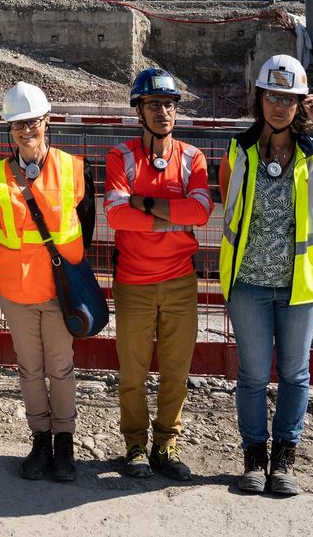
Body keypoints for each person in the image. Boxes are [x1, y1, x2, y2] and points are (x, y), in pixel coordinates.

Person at [219, 55, 313, 496]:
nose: (280, 106)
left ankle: (285, 460)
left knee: (296, 374)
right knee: (254, 376)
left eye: (290, 98)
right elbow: (229, 203)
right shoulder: (238, 149)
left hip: (302, 286)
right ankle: (254, 458)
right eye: (273, 96)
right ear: (259, 98)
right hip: (249, 286)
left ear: (302, 103)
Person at [0, 82, 94, 482]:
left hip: (61, 293)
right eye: (17, 124)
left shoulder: (73, 168)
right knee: (29, 368)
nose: (26, 130)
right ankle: (40, 439)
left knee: (60, 368)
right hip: (16, 292)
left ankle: (65, 442)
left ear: (47, 121)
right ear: (9, 129)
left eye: (32, 122)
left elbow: (88, 227)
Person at [104, 69, 212, 481]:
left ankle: (166, 443)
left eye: (169, 104)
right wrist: (172, 211)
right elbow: (115, 214)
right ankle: (134, 443)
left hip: (180, 281)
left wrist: (144, 204)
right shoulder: (121, 156)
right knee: (132, 372)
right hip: (133, 282)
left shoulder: (192, 157)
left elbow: (201, 211)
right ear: (139, 111)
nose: (163, 112)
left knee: (175, 371)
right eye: (154, 104)